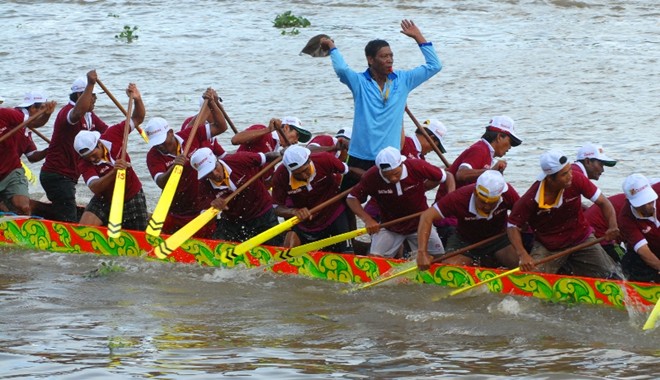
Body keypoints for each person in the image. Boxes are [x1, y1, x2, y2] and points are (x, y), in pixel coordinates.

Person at [320, 19, 442, 189]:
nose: (390, 60)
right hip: (360, 156)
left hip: (389, 158)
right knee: (347, 200)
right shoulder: (359, 82)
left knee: (389, 205)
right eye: (384, 56)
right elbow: (342, 70)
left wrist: (418, 37)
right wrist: (332, 47)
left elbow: (435, 66)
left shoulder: (403, 80)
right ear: (370, 60)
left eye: (391, 56)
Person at [40, 70, 145, 222]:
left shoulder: (90, 116)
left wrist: (136, 99)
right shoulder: (68, 113)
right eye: (93, 95)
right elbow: (77, 113)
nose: (95, 99)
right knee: (68, 218)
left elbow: (117, 129)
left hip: (74, 176)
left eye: (94, 95)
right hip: (57, 174)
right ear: (79, 96)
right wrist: (90, 84)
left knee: (67, 210)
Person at [507, 150, 619, 278]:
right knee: (532, 280)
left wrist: (612, 225)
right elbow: (512, 226)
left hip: (581, 239)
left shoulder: (577, 179)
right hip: (549, 246)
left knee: (611, 275)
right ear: (549, 178)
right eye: (564, 174)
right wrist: (523, 255)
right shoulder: (531, 198)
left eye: (570, 170)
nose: (570, 176)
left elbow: (604, 203)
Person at [346, 146, 454, 258]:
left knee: (438, 258)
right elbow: (351, 198)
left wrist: (450, 198)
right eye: (387, 176)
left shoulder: (416, 166)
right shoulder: (372, 176)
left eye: (396, 174)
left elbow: (448, 176)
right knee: (374, 259)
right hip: (390, 226)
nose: (392, 179)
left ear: (402, 164)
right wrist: (367, 219)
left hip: (420, 224)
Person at [74, 84, 147, 231]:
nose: (92, 160)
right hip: (105, 198)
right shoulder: (83, 163)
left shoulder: (113, 133)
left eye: (93, 155)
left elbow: (138, 118)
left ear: (99, 143)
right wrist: (114, 171)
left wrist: (137, 99)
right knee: (84, 230)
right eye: (88, 158)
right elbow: (94, 187)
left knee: (139, 237)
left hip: (131, 195)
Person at [417, 170, 520, 270]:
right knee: (450, 268)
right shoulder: (459, 197)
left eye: (492, 203)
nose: (487, 207)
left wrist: (524, 253)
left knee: (522, 266)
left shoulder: (507, 193)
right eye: (483, 202)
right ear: (475, 192)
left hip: (498, 239)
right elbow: (427, 216)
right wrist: (422, 252)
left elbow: (524, 216)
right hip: (465, 241)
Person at [144, 116, 226, 237]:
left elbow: (221, 127)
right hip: (176, 207)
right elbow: (161, 182)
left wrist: (212, 102)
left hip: (201, 202)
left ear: (171, 133)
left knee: (206, 236)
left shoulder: (190, 135)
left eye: (161, 141)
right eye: (156, 143)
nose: (159, 146)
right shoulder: (153, 156)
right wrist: (173, 167)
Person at [272, 146, 358, 253]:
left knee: (347, 253)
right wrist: (293, 211)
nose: (303, 175)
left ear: (309, 160)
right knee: (289, 251)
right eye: (297, 174)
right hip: (306, 220)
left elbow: (348, 171)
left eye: (305, 170)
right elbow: (276, 207)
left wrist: (369, 178)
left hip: (333, 213)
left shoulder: (325, 159)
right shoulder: (280, 174)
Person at [190, 147, 283, 245]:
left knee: (275, 245)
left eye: (215, 168)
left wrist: (282, 153)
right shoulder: (203, 185)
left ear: (217, 159)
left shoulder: (239, 159)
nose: (215, 174)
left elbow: (266, 157)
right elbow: (206, 217)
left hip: (263, 213)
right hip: (234, 221)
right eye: (209, 173)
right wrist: (213, 206)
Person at [0, 92, 56, 215]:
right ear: (32, 108)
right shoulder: (18, 116)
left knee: (24, 207)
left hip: (11, 171)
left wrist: (49, 149)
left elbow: (32, 156)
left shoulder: (7, 114)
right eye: (40, 108)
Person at [448, 115, 522, 189]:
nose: (510, 147)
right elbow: (461, 174)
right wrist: (491, 172)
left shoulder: (487, 152)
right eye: (510, 142)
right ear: (499, 137)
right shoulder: (480, 149)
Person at [618, 174, 660, 282]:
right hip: (648, 251)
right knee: (630, 264)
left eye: (650, 201)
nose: (647, 206)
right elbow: (643, 251)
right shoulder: (625, 218)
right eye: (642, 203)